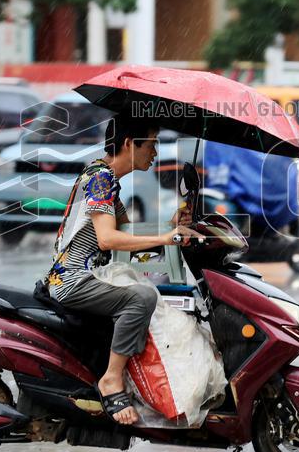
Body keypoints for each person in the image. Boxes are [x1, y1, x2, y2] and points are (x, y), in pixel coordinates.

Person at [43, 115, 197, 425]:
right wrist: (164, 238)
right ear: (129, 143)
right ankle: (111, 379)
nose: (155, 153)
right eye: (151, 144)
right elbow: (108, 239)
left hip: (83, 275)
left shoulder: (106, 178)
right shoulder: (101, 178)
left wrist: (171, 225)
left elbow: (126, 229)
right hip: (73, 279)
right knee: (140, 298)